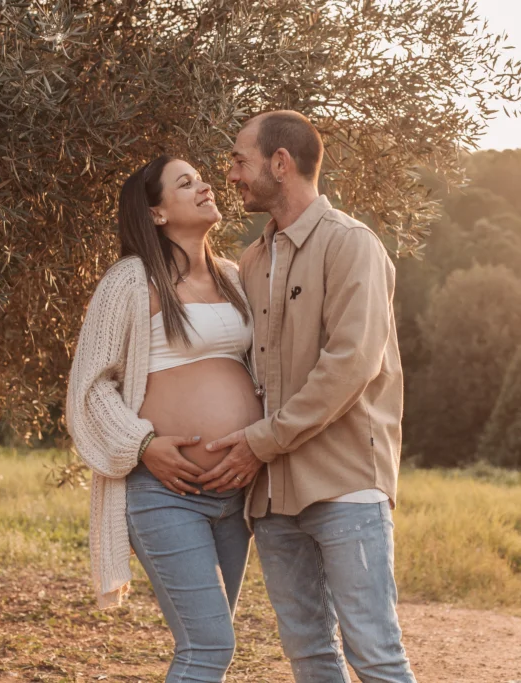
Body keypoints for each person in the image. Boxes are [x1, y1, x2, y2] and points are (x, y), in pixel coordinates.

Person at [200, 111, 417, 682]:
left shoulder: (352, 245)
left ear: (280, 163)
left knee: (375, 654)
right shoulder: (251, 262)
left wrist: (260, 442)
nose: (231, 175)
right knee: (309, 655)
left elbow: (350, 365)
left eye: (240, 161)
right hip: (272, 498)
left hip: (345, 485)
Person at [65, 154, 262, 683]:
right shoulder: (130, 281)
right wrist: (143, 444)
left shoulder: (234, 277)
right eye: (186, 182)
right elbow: (89, 386)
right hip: (165, 493)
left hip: (234, 493)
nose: (205, 187)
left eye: (202, 179)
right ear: (156, 213)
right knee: (208, 646)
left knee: (210, 646)